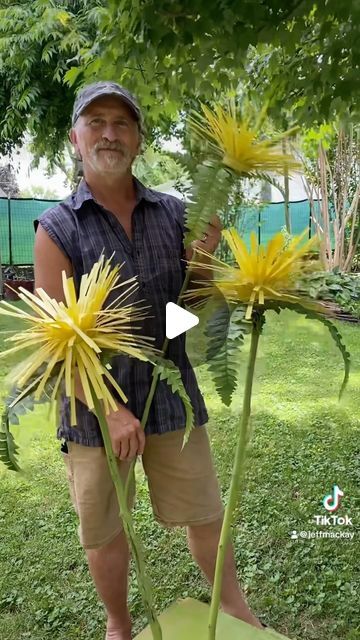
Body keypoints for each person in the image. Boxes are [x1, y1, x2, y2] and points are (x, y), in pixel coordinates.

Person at [34, 81, 265, 640]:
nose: (109, 133)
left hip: (172, 395)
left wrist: (206, 268)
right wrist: (110, 408)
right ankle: (118, 624)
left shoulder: (179, 216)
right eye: (96, 122)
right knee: (106, 530)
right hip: (94, 411)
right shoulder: (56, 229)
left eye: (122, 123)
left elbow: (194, 310)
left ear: (138, 139)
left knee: (206, 512)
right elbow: (56, 344)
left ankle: (235, 609)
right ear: (75, 138)